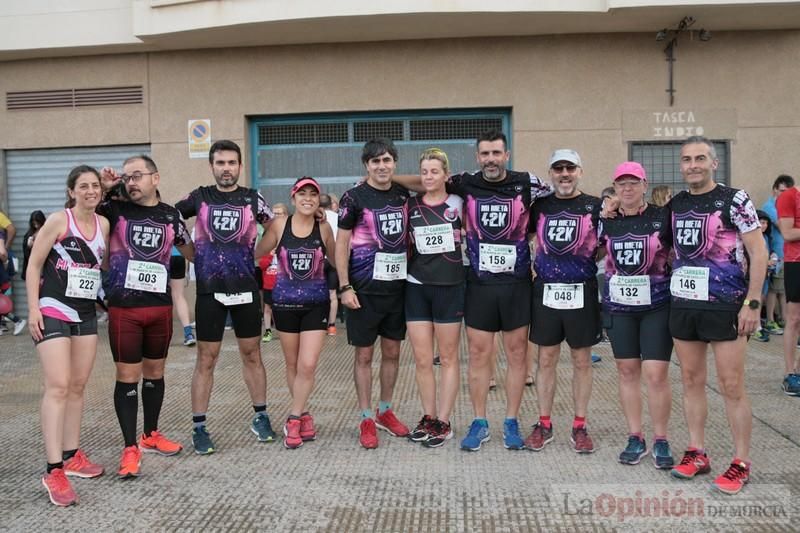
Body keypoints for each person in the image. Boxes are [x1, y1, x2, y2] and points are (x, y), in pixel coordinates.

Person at [395, 129, 551, 452]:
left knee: (517, 354)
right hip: (479, 284)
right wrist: (387, 180)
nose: (491, 159)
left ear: (506, 155)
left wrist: (609, 203)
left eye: (497, 153)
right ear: (477, 157)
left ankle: (510, 421)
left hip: (517, 283)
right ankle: (479, 422)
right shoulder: (465, 182)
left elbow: (562, 195)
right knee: (479, 355)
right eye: (485, 154)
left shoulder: (528, 182)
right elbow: (428, 180)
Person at [668, 136, 766, 495]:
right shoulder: (676, 204)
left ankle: (740, 463)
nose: (692, 165)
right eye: (686, 159)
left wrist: (753, 301)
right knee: (692, 381)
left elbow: (758, 249)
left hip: (727, 305)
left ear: (714, 163)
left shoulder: (734, 199)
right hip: (685, 305)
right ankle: (697, 452)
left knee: (731, 386)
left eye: (699, 158)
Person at [175, 140, 275, 454]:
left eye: (232, 163)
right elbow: (171, 220)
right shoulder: (200, 197)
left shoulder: (251, 198)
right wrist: (191, 254)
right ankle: (199, 427)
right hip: (210, 290)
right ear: (212, 166)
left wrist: (258, 252)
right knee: (206, 358)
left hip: (245, 288)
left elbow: (275, 225)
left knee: (252, 354)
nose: (226, 169)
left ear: (240, 166)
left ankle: (260, 416)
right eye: (220, 163)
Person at [98, 155, 193, 478]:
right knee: (127, 377)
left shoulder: (170, 215)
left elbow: (192, 249)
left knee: (155, 373)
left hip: (160, 308)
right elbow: (81, 212)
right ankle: (129, 448)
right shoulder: (114, 209)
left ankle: (150, 434)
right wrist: (105, 188)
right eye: (127, 177)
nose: (131, 182)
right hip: (125, 308)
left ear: (156, 178)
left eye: (137, 175)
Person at [26, 165, 110, 506]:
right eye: (83, 186)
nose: (90, 191)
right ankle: (53, 469)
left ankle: (73, 455)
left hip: (86, 312)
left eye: (95, 186)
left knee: (77, 385)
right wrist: (33, 309)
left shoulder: (103, 224)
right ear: (71, 191)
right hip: (53, 307)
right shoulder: (59, 221)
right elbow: (33, 265)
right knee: (58, 385)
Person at [525, 149, 602, 454]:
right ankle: (544, 423)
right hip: (546, 290)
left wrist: (585, 262)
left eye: (570, 168)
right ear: (551, 174)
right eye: (558, 169)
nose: (565, 174)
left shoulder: (595, 206)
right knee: (546, 359)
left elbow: (606, 245)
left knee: (582, 360)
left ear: (580, 171)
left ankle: (580, 425)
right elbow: (526, 235)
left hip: (581, 290)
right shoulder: (540, 206)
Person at [336, 138, 411, 449]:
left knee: (392, 354)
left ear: (394, 162)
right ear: (366, 165)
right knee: (364, 356)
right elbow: (341, 245)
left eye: (387, 160)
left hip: (398, 290)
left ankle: (385, 411)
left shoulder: (403, 194)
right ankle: (366, 417)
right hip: (363, 291)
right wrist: (344, 286)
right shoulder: (353, 198)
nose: (382, 166)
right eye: (375, 161)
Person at [599, 162, 674, 468]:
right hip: (620, 309)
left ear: (645, 186)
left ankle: (661, 438)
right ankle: (635, 436)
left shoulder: (663, 217)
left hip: (657, 306)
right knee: (627, 372)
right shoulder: (606, 221)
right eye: (621, 184)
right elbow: (591, 250)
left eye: (633, 183)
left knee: (656, 375)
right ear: (614, 189)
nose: (627, 189)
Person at [256, 177, 336, 448]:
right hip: (285, 305)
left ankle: (292, 418)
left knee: (308, 364)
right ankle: (303, 414)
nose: (308, 198)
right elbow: (258, 251)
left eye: (313, 194)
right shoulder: (280, 225)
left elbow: (336, 261)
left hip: (316, 305)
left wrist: (348, 286)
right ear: (293, 198)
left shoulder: (323, 227)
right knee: (292, 365)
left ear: (318, 200)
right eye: (303, 193)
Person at [405, 148, 464, 448]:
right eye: (424, 172)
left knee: (449, 357)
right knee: (422, 358)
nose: (429, 177)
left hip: (450, 287)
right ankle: (428, 417)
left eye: (434, 171)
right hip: (416, 286)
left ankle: (444, 420)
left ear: (445, 175)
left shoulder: (458, 203)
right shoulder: (411, 205)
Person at [776, 176, 800, 395]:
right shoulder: (789, 196)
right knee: (793, 319)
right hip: (796, 262)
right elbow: (787, 232)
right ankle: (790, 373)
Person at [763, 175, 794, 335]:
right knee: (773, 290)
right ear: (774, 189)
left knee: (782, 289)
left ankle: (782, 318)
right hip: (776, 255)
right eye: (782, 191)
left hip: (787, 255)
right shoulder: (770, 208)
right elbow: (784, 229)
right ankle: (770, 320)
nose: (785, 195)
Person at [751, 210, 779, 343]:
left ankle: (757, 325)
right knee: (753, 301)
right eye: (761, 222)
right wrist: (764, 262)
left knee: (761, 299)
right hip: (755, 275)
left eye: (766, 223)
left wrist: (773, 256)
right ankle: (756, 327)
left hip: (766, 275)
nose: (763, 225)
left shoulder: (767, 237)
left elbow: (769, 250)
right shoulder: (752, 238)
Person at [320, 193, 339, 334]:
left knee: (318, 292)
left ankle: (320, 322)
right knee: (332, 293)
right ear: (331, 204)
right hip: (334, 259)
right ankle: (332, 326)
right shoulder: (339, 218)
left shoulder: (316, 218)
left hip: (319, 259)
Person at [170, 245, 196, 346]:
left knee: (157, 296)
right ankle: (188, 334)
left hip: (158, 255)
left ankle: (157, 335)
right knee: (179, 295)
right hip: (178, 254)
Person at [22, 210, 46, 281]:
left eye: (37, 222)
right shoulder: (29, 234)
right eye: (34, 222)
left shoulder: (47, 232)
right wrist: (29, 246)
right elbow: (26, 254)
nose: (36, 225)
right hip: (33, 266)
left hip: (45, 266)